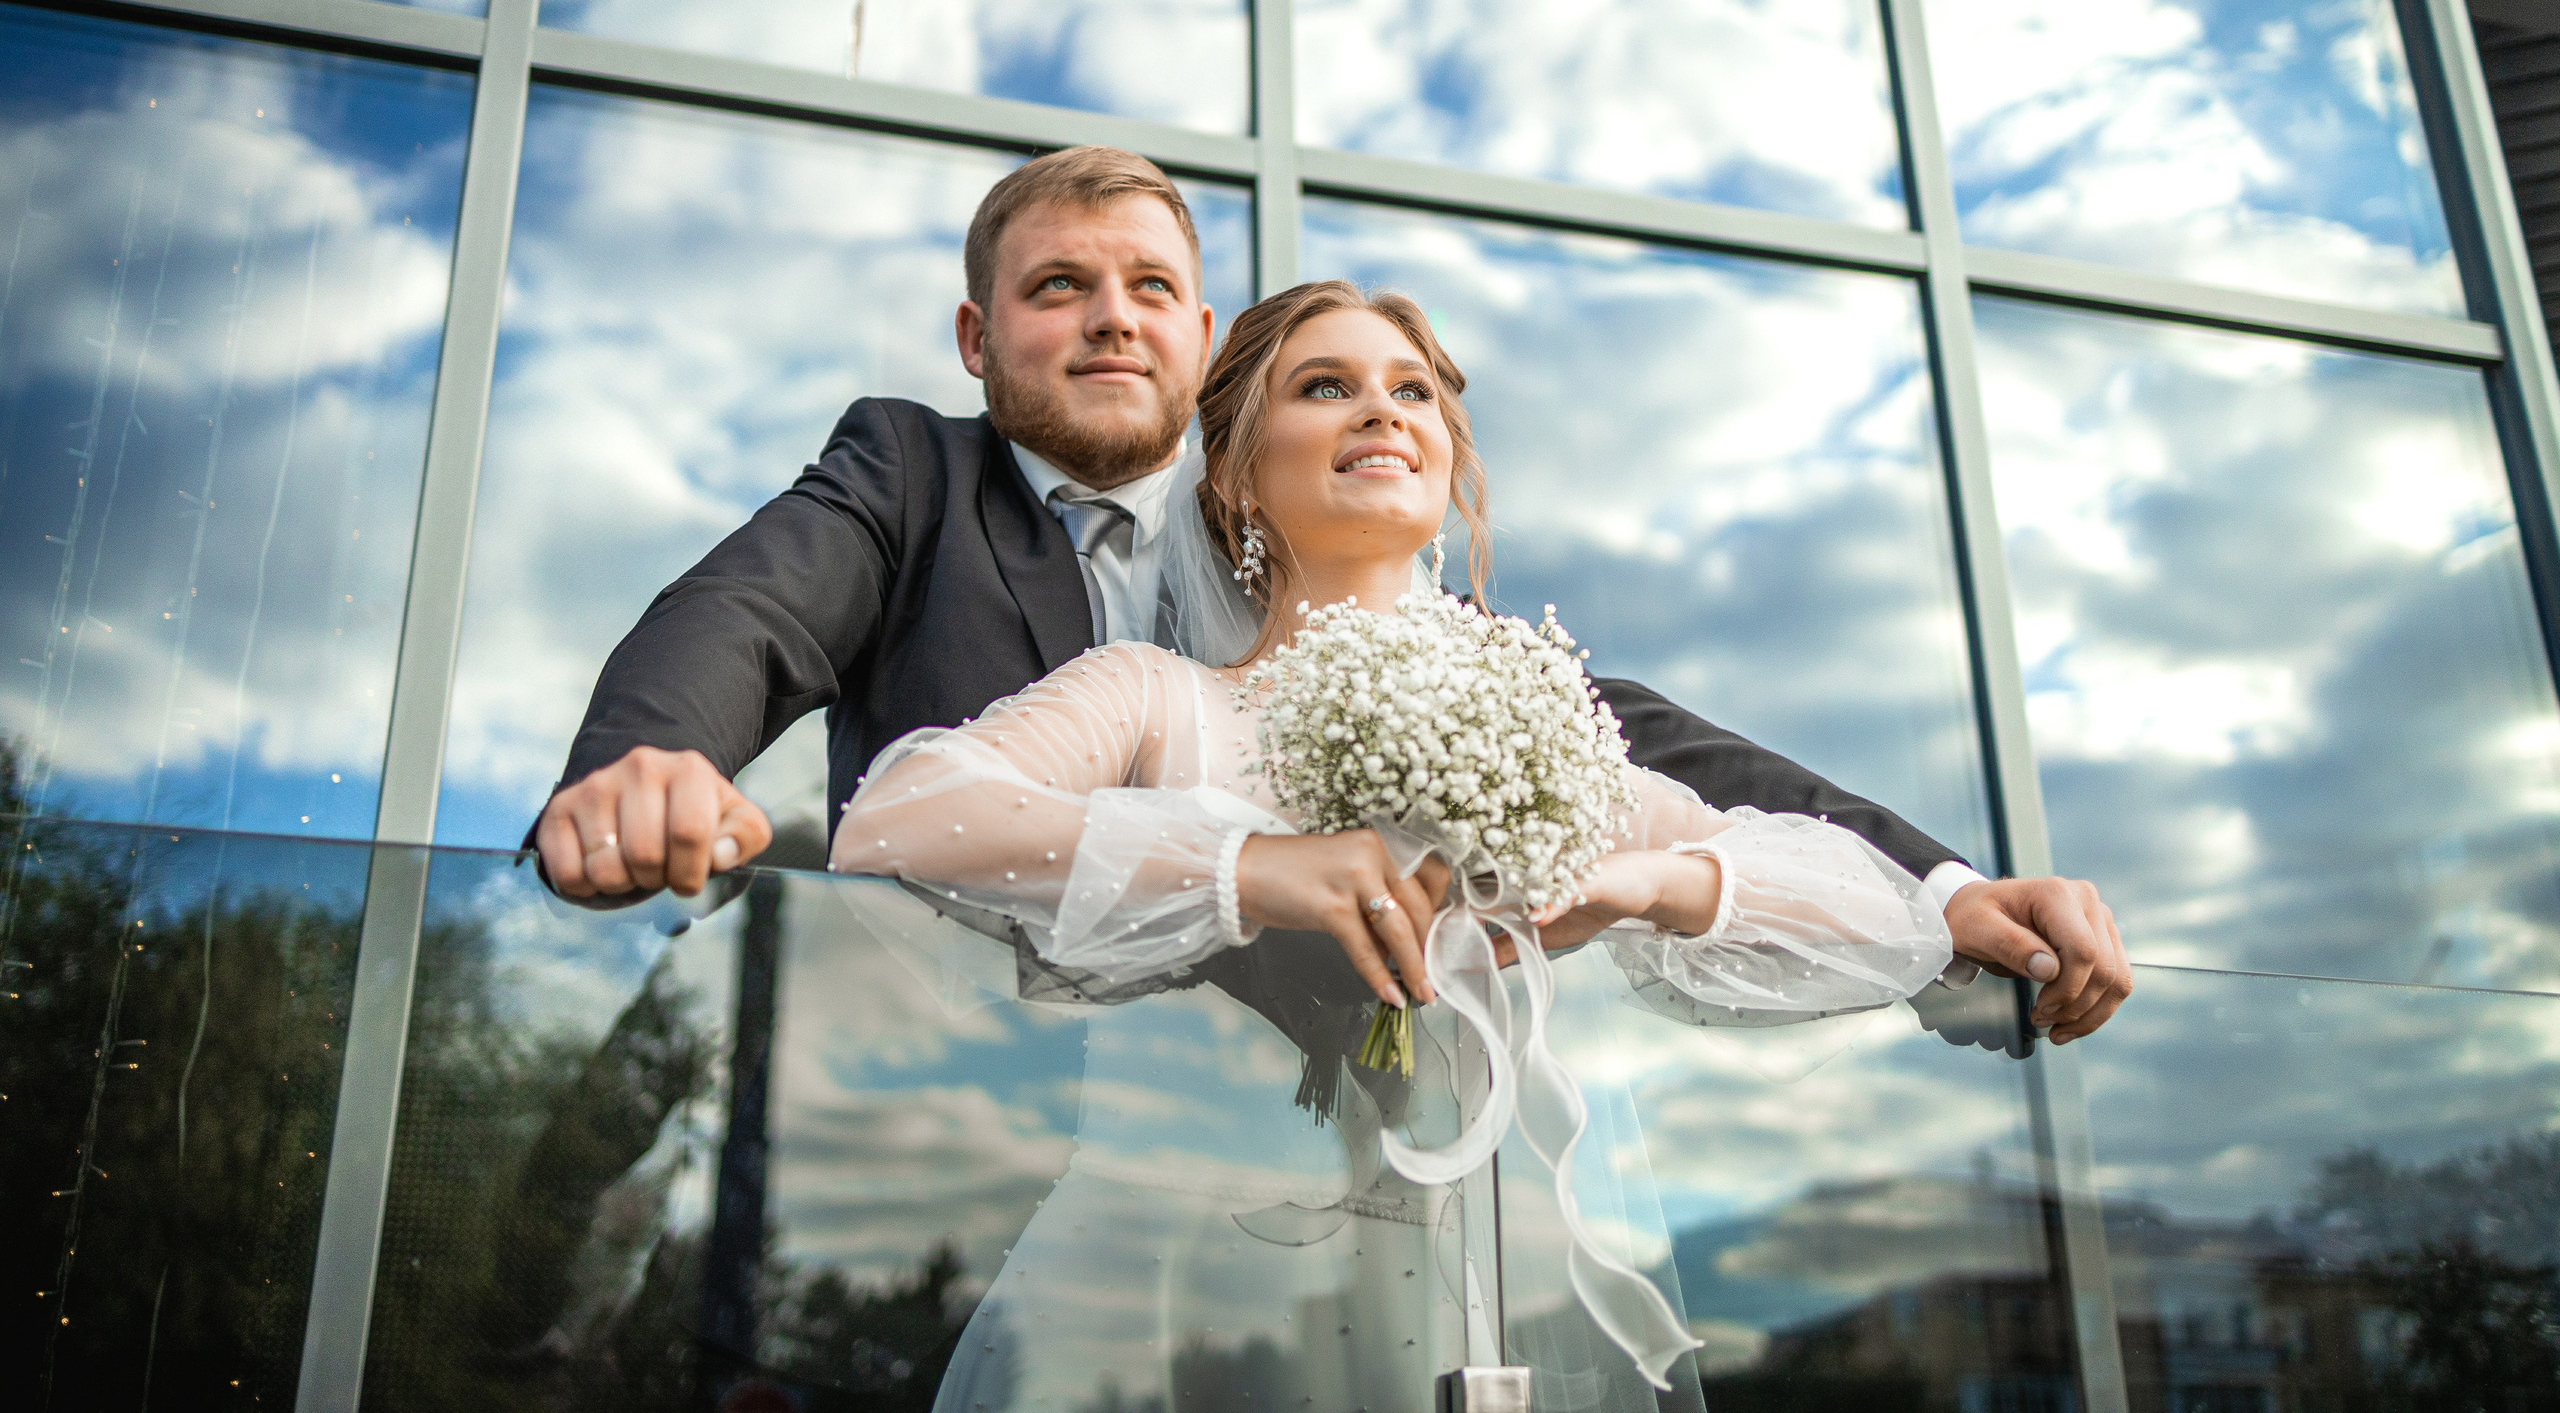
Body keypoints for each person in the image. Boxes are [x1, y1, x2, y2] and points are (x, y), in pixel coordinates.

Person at [530, 146, 2130, 1043]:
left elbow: (1673, 765)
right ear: (975, 336)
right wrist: (651, 758)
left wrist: (1941, 888)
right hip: (941, 1082)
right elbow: (755, 611)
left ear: (1198, 326)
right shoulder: (913, 476)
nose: (1109, 320)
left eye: (1151, 285)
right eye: (1057, 288)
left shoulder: (1421, 630)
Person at [831, 280, 1963, 1405]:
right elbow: (899, 819)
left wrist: (1649, 879)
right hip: (1147, 1301)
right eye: (1327, 387)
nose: (1383, 411)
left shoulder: (1533, 753)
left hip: (1453, 1289)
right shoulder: (1157, 700)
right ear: (1231, 476)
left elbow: (1877, 916)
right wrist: (1246, 868)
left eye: (1411, 391)